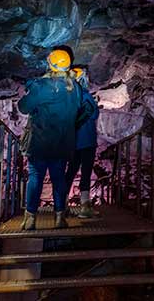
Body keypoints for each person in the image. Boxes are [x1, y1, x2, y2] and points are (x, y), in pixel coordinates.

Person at [18, 45, 90, 230]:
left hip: (41, 142)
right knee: (58, 179)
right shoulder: (74, 88)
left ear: (50, 64)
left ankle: (30, 219)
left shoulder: (42, 87)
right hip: (63, 143)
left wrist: (32, 89)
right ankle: (59, 218)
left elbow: (23, 107)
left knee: (35, 178)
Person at [63, 65, 99, 218]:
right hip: (88, 141)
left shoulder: (67, 97)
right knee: (85, 172)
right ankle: (85, 206)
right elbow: (94, 114)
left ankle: (61, 204)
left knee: (70, 172)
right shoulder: (85, 95)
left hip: (73, 142)